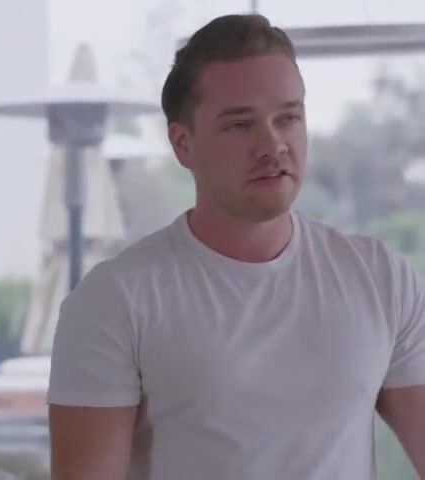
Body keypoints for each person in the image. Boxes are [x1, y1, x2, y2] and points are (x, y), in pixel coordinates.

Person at [47, 14, 425, 479]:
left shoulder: (379, 278)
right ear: (183, 144)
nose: (273, 145)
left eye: (288, 118)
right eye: (240, 125)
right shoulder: (115, 300)